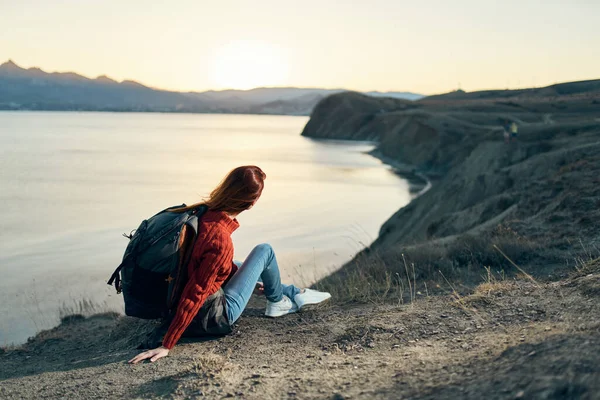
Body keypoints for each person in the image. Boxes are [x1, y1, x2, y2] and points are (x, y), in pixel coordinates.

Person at [129, 166, 331, 364]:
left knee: (236, 265)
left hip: (185, 298)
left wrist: (246, 281)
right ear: (251, 203)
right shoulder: (220, 240)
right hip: (218, 316)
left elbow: (210, 267)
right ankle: (278, 302)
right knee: (264, 251)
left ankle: (293, 292)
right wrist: (167, 344)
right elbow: (196, 291)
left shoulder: (201, 212)